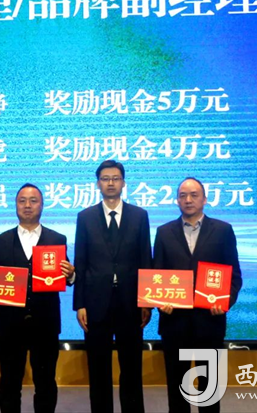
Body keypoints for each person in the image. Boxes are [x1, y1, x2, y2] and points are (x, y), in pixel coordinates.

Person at [0, 183, 75, 413]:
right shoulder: (1, 240)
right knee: (9, 383)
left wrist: (71, 274)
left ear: (42, 205)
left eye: (33, 200)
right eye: (22, 201)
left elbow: (67, 276)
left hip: (46, 323)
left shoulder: (57, 238)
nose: (27, 205)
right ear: (15, 205)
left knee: (45, 382)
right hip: (10, 324)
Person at [154, 177, 243, 413]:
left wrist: (225, 302)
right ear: (176, 200)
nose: (188, 200)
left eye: (194, 195)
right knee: (177, 389)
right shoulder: (163, 232)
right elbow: (156, 275)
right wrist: (159, 302)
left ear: (204, 199)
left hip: (209, 321)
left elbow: (234, 276)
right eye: (183, 195)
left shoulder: (223, 231)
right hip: (174, 322)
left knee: (209, 390)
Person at [73, 159, 152, 413]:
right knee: (98, 369)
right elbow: (80, 261)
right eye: (105, 178)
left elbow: (145, 259)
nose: (110, 183)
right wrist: (79, 304)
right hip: (96, 304)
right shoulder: (85, 217)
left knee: (132, 368)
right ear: (97, 183)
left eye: (115, 178)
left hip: (131, 303)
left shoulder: (139, 216)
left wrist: (147, 302)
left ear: (123, 183)